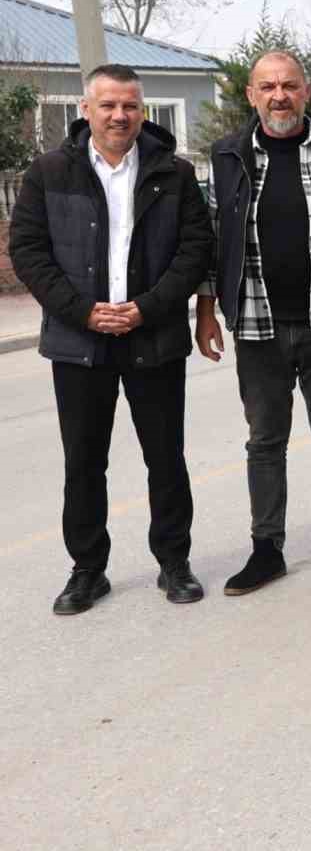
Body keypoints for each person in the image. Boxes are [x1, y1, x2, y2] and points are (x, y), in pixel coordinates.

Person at [10, 64, 213, 613]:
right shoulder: (49, 171)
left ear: (141, 110)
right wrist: (83, 312)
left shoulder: (173, 172)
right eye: (109, 105)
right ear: (86, 110)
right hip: (80, 343)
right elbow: (28, 249)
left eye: (130, 106)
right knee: (84, 461)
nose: (120, 115)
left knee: (165, 457)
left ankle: (174, 563)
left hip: (154, 337)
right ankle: (87, 570)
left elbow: (195, 248)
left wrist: (146, 309)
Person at [194, 50, 311, 595]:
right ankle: (266, 550)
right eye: (267, 86)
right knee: (264, 442)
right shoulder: (227, 155)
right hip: (257, 323)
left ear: (306, 92)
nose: (279, 95)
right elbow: (213, 242)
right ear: (251, 95)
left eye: (289, 85)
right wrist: (206, 309)